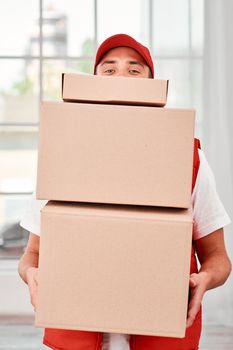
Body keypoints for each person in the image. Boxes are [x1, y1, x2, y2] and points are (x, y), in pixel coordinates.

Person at [18, 34, 232, 350]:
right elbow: (31, 255)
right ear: (93, 84)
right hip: (76, 331)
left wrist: (204, 280)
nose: (121, 78)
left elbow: (219, 260)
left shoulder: (189, 160)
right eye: (109, 69)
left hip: (161, 333)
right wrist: (31, 273)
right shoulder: (62, 157)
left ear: (152, 87)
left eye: (134, 70)